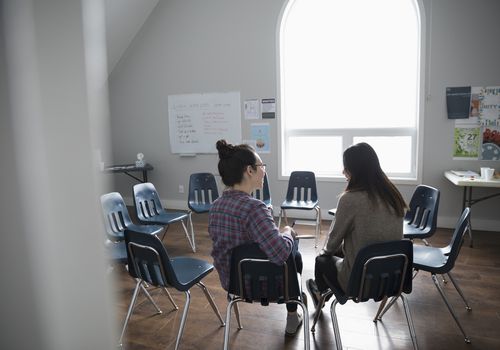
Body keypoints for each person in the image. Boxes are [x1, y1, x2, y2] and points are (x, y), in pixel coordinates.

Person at [208, 139, 304, 336]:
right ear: (249, 170)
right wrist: (287, 232)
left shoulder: (216, 205)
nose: (264, 170)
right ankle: (293, 311)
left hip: (233, 282)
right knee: (293, 251)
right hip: (265, 285)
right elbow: (279, 254)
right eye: (262, 166)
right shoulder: (254, 208)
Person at [307, 142, 407, 306]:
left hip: (361, 282)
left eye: (345, 168)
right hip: (392, 278)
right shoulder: (393, 195)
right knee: (341, 252)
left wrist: (328, 252)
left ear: (354, 170)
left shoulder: (350, 199)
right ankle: (320, 291)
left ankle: (320, 293)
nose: (343, 172)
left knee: (322, 259)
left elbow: (332, 243)